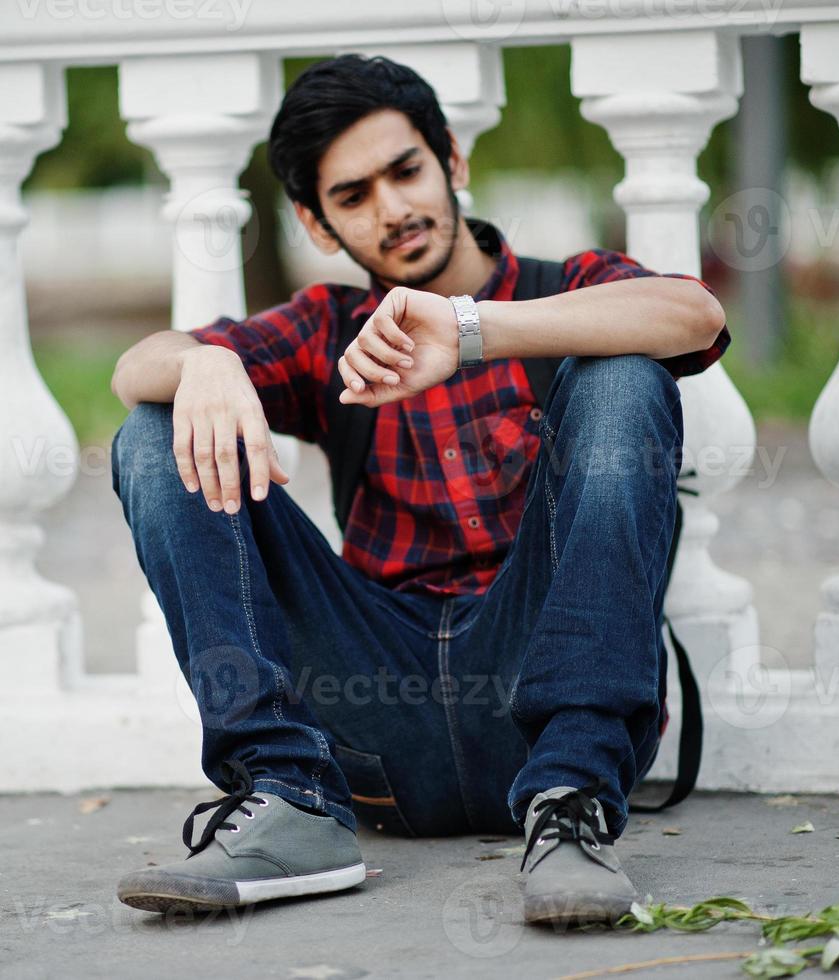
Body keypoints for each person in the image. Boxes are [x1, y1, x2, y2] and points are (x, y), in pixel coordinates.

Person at [108, 53, 729, 926]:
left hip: (539, 689)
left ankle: (573, 804)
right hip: (374, 715)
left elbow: (695, 318)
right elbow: (134, 368)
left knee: (625, 374)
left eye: (405, 172)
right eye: (354, 196)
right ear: (317, 224)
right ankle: (288, 798)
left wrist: (471, 330)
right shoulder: (327, 329)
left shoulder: (565, 292)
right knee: (153, 426)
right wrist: (205, 362)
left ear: (453, 163)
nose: (393, 209)